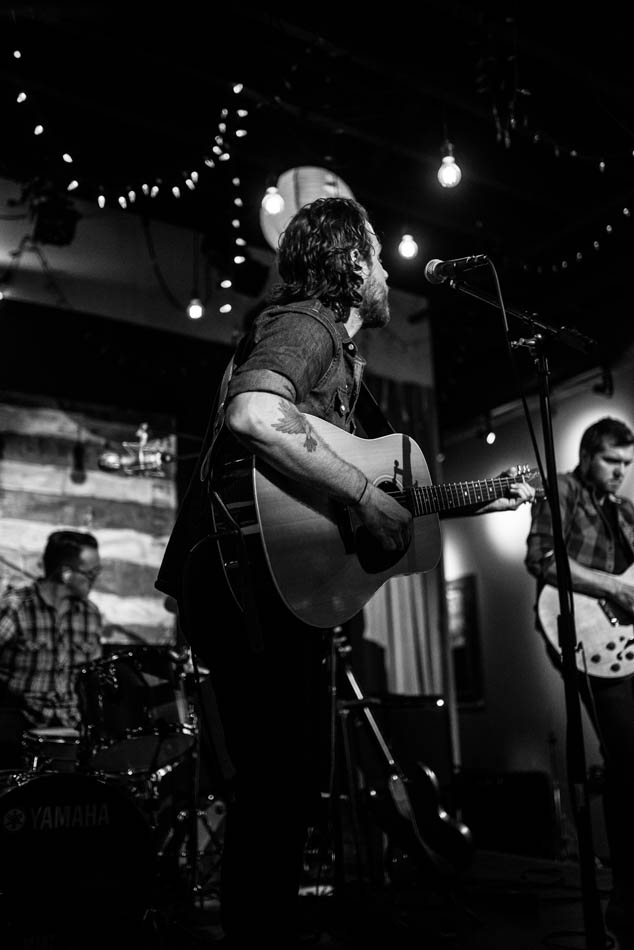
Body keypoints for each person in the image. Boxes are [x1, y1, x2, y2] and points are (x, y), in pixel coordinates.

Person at [156, 196, 535, 947]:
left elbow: (360, 494)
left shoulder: (339, 357)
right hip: (248, 583)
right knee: (277, 791)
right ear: (352, 264)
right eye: (378, 258)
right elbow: (253, 416)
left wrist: (472, 498)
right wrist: (363, 493)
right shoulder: (307, 324)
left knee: (283, 792)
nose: (387, 273)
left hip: (262, 583)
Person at [525, 416, 634, 943]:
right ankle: (626, 903)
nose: (620, 471)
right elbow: (542, 558)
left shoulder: (625, 512)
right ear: (589, 454)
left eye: (627, 463)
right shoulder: (563, 490)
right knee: (628, 761)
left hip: (626, 643)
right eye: (612, 460)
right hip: (587, 638)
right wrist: (613, 588)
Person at [0, 529, 103, 769]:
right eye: (90, 573)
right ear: (66, 574)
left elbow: (93, 678)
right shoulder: (17, 607)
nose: (95, 579)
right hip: (18, 730)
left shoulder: (90, 614)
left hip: (71, 731)